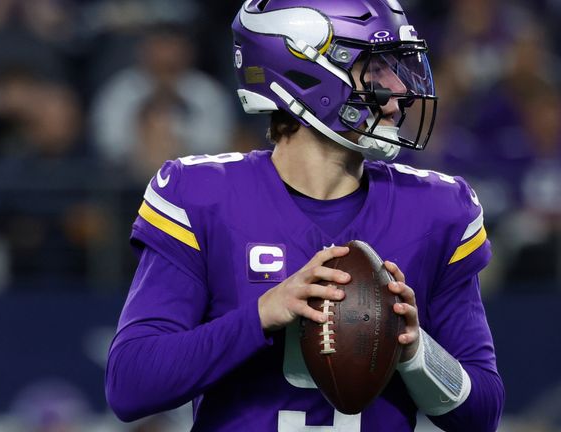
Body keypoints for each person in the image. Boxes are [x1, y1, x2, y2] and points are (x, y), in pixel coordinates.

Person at [105, 1, 504, 431]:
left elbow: (483, 414)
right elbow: (130, 385)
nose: (400, 91)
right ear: (303, 71)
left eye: (398, 67)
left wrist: (416, 351)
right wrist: (261, 315)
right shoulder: (202, 195)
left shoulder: (436, 208)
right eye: (376, 70)